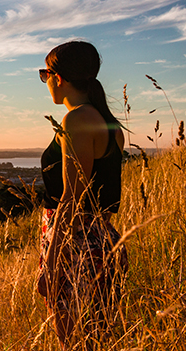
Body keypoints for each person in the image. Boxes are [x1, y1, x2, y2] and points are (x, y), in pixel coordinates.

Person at [37, 40, 128, 349]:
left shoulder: (75, 119)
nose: (45, 82)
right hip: (103, 240)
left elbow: (72, 199)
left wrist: (50, 265)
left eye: (44, 74)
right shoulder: (111, 125)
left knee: (73, 344)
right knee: (99, 340)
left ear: (57, 77)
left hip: (75, 246)